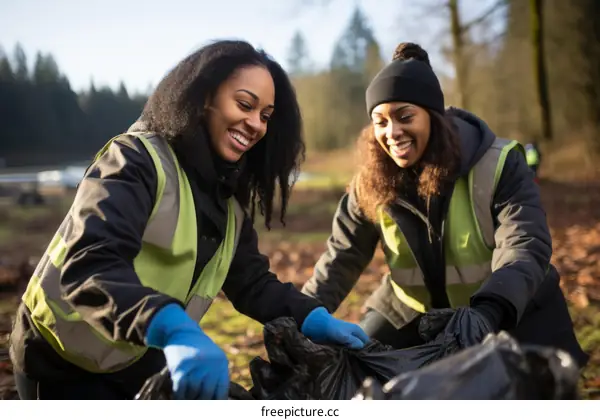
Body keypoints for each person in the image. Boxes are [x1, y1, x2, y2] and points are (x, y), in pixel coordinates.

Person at [9, 40, 370, 400]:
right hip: (60, 357)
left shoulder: (229, 201)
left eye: (265, 115)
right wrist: (174, 329)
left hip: (138, 352)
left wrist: (313, 318)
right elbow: (91, 264)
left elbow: (252, 283)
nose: (256, 124)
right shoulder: (135, 160)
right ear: (204, 98)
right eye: (244, 104)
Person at [301, 42, 588, 368]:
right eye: (380, 121)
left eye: (404, 116)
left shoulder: (499, 164)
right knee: (355, 369)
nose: (392, 132)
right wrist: (302, 316)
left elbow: (525, 244)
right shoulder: (370, 183)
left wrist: (489, 311)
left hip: (509, 306)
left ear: (434, 118)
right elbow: (341, 257)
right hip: (414, 313)